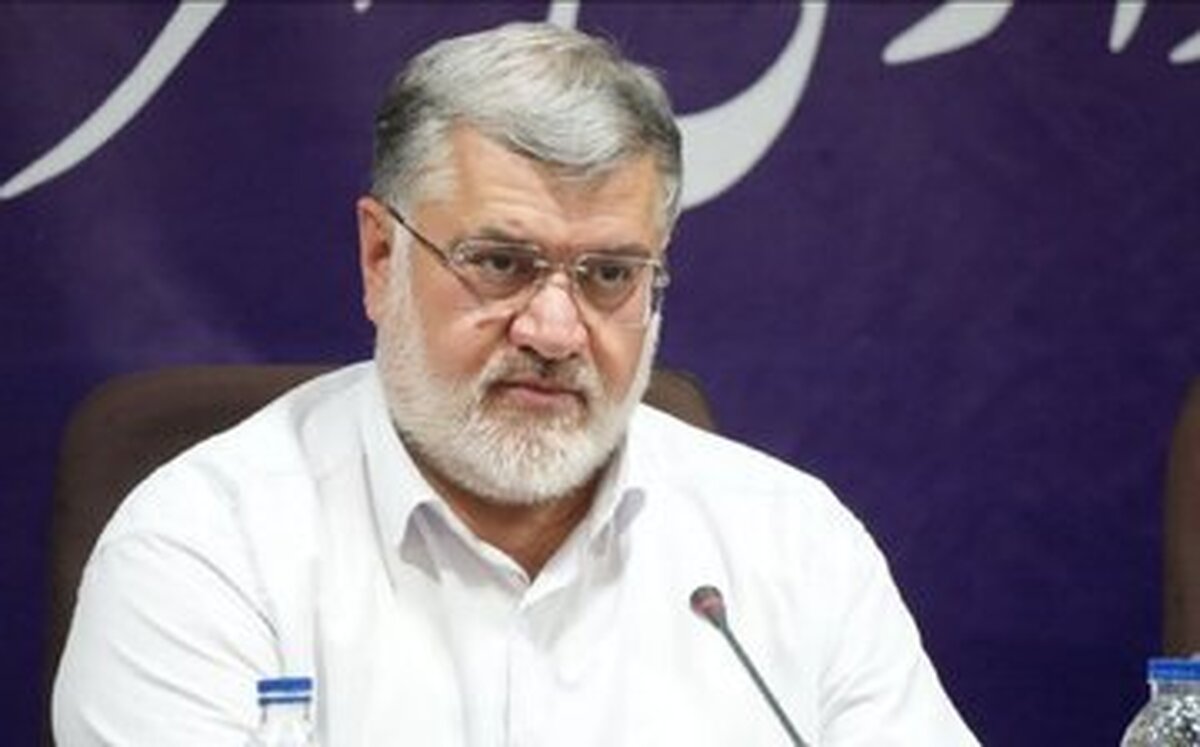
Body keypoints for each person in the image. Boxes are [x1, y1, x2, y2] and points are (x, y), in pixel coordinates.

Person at [52, 21, 977, 746]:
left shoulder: (793, 546)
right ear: (380, 257)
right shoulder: (203, 551)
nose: (554, 330)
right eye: (499, 262)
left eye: (609, 274)